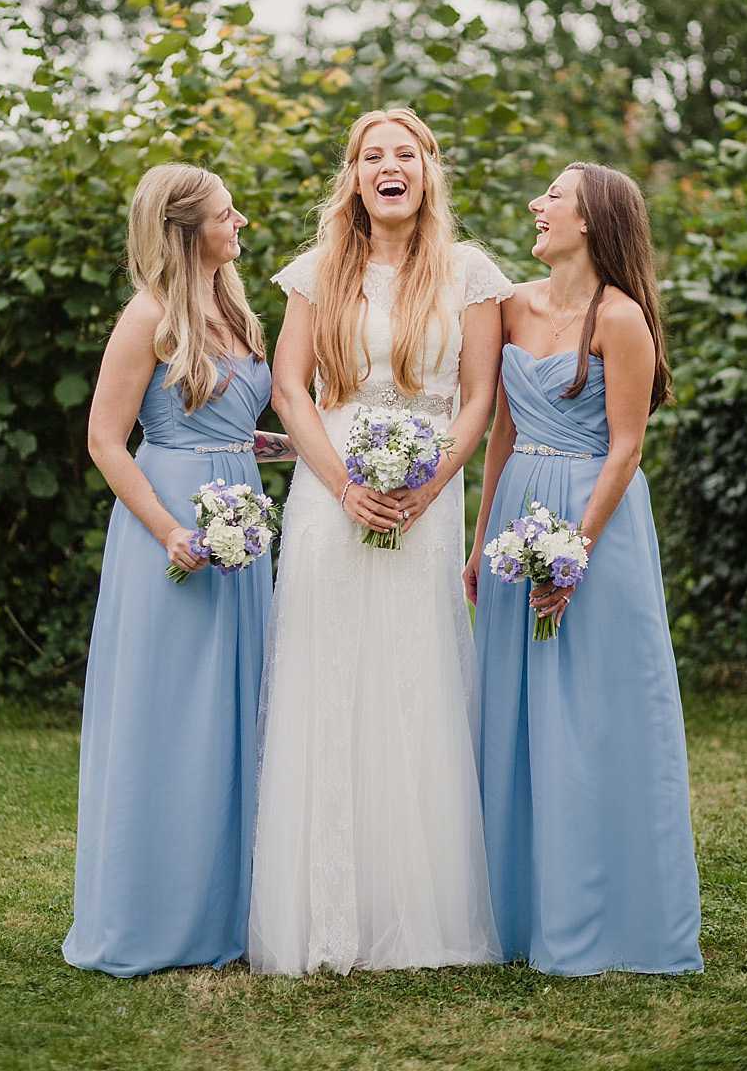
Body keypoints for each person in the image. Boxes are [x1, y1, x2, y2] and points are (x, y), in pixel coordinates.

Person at [248, 108, 512, 976]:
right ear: (354, 177)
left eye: (404, 154)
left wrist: (428, 486)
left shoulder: (472, 273)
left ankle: (420, 913)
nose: (387, 166)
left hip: (426, 496)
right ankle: (328, 912)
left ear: (428, 171)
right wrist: (344, 487)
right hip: (332, 492)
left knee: (418, 679)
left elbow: (478, 400)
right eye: (371, 156)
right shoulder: (318, 270)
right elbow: (290, 388)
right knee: (328, 679)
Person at [465, 162, 703, 977]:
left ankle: (609, 914)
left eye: (553, 197)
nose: (537, 205)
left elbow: (627, 447)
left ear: (592, 219)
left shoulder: (622, 318)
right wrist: (478, 535)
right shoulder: (509, 306)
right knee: (511, 708)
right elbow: (498, 430)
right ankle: (511, 913)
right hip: (513, 515)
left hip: (594, 515)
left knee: (592, 711)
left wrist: (575, 552)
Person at [63, 163, 291, 977]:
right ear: (188, 230)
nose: (242, 226)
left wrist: (272, 446)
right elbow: (104, 439)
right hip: (172, 527)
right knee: (174, 718)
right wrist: (165, 529)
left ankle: (227, 907)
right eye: (229, 215)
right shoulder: (149, 316)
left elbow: (224, 414)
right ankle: (154, 914)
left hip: (243, 520)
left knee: (240, 709)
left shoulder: (233, 304)